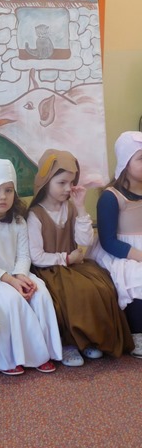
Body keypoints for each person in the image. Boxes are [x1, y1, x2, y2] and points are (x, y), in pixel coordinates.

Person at [27, 150, 133, 367]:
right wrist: (66, 258)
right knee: (71, 293)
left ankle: (92, 340)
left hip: (75, 265)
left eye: (71, 182)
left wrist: (81, 207)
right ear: (46, 182)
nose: (68, 188)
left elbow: (84, 239)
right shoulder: (35, 215)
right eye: (62, 183)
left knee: (101, 286)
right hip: (50, 268)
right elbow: (36, 256)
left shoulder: (70, 208)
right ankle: (69, 343)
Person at [0, 159, 62, 375]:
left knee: (41, 295)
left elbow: (24, 254)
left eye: (8, 190)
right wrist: (10, 280)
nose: (3, 196)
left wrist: (21, 276)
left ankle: (42, 353)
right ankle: (10, 357)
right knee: (11, 301)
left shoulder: (18, 221)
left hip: (19, 272)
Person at [87, 131, 142, 357]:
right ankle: (137, 335)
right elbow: (108, 241)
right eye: (141, 158)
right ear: (126, 162)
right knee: (136, 276)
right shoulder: (111, 198)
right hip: (120, 251)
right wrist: (138, 255)